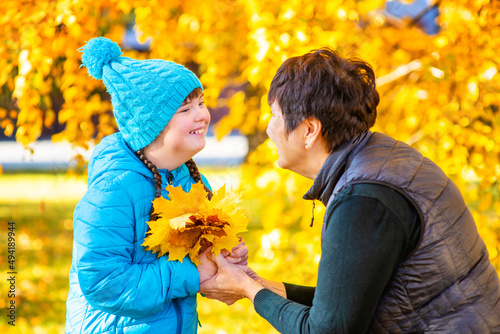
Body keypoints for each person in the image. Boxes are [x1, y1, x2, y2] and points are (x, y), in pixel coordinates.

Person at [199, 48, 500, 333]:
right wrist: (254, 282)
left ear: (309, 131)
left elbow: (327, 330)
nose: (268, 129)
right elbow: (342, 305)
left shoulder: (364, 200)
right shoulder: (382, 159)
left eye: (275, 115)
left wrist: (248, 290)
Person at [65, 37, 247, 334]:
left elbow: (202, 254)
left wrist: (224, 254)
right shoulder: (115, 191)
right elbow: (102, 282)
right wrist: (192, 273)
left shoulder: (189, 178)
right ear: (151, 125)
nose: (201, 114)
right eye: (185, 110)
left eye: (200, 103)